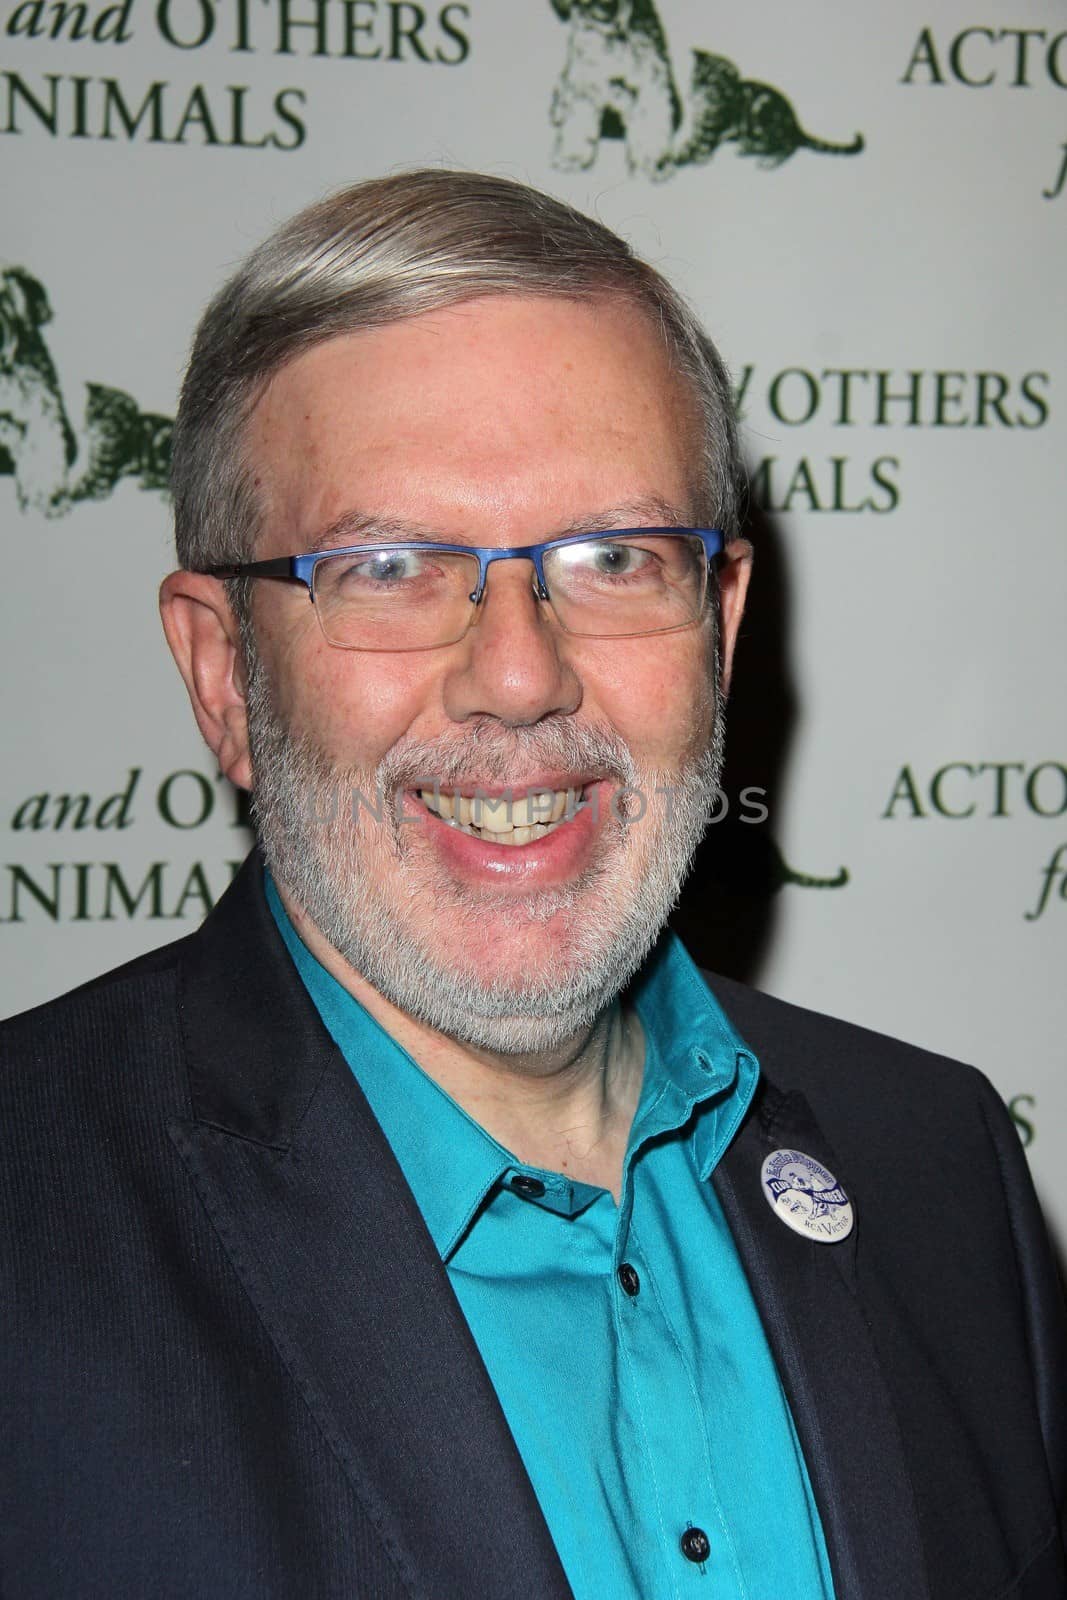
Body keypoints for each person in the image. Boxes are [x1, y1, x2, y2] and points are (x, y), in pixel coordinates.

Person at [1, 170, 1064, 1600]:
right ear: (223, 676)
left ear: (722, 625)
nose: (519, 674)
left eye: (614, 557)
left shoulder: (938, 1165)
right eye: (387, 567)